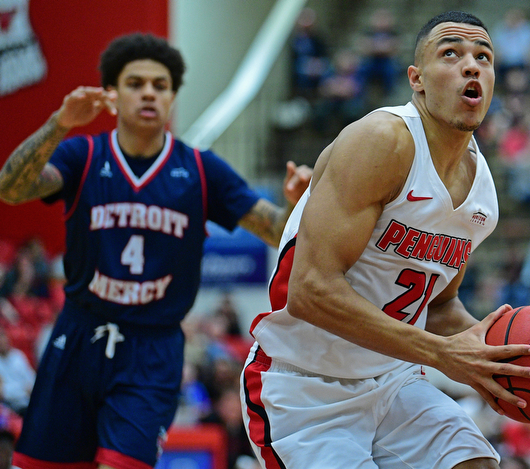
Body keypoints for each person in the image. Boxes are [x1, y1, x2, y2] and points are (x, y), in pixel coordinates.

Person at [241, 11, 530, 469]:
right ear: (416, 80)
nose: (472, 65)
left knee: (476, 463)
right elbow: (310, 291)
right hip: (304, 386)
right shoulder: (381, 140)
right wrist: (443, 355)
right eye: (451, 54)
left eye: (484, 56)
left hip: (394, 381)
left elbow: (439, 307)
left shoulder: (483, 197)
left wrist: (495, 358)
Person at [0, 33, 311, 469]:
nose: (149, 92)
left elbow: (277, 231)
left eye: (161, 85)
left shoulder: (202, 170)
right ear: (112, 94)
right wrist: (59, 123)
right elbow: (11, 189)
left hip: (152, 348)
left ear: (171, 96)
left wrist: (298, 208)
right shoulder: (83, 155)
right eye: (135, 82)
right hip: (79, 334)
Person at [0, 326, 35, 416]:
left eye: (3, 336)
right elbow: (3, 393)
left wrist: (28, 389)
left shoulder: (18, 355)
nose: (2, 341)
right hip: (10, 408)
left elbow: (31, 379)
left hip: (28, 403)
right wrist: (23, 389)